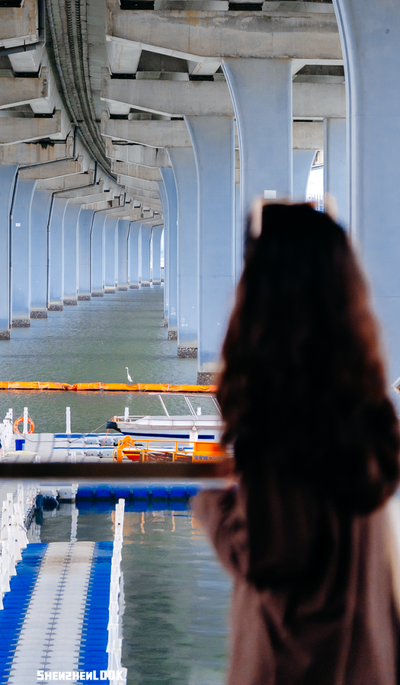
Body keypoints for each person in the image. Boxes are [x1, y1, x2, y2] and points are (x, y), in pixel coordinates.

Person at [192, 201, 400, 685]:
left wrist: (211, 508)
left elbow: (269, 553)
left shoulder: (279, 420)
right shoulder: (370, 411)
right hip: (367, 655)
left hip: (291, 662)